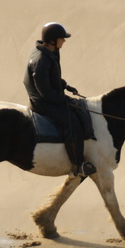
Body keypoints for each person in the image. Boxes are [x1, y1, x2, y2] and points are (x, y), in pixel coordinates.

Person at [24, 22, 94, 177]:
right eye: (62, 38)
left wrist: (65, 85)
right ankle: (77, 165)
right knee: (73, 123)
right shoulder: (41, 60)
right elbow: (46, 93)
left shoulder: (50, 52)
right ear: (52, 40)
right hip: (43, 103)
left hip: (49, 98)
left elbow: (51, 78)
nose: (64, 41)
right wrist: (64, 99)